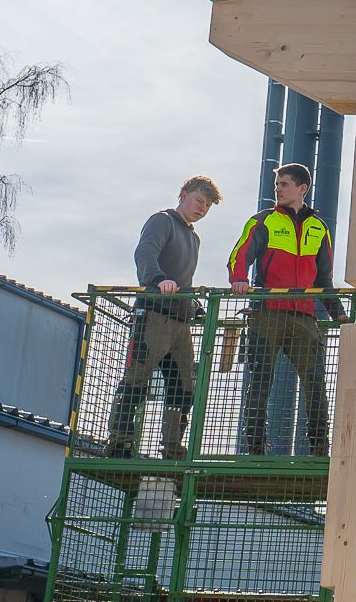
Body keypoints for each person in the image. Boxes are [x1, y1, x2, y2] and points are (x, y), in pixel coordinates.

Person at [223, 163, 335, 457]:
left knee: (315, 384)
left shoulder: (319, 228)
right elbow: (239, 255)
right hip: (267, 313)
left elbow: (324, 278)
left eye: (284, 184)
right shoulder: (263, 221)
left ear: (302, 189)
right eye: (277, 185)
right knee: (260, 382)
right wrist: (238, 280)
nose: (279, 189)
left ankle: (320, 448)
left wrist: (337, 311)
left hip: (304, 317)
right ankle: (256, 448)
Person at [105, 176, 220, 458]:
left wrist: (194, 305)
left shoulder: (194, 238)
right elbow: (145, 253)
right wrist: (158, 280)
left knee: (184, 387)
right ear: (183, 195)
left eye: (207, 206)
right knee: (137, 378)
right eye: (199, 201)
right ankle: (120, 441)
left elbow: (185, 280)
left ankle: (171, 446)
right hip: (154, 315)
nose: (202, 208)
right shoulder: (162, 221)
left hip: (180, 323)